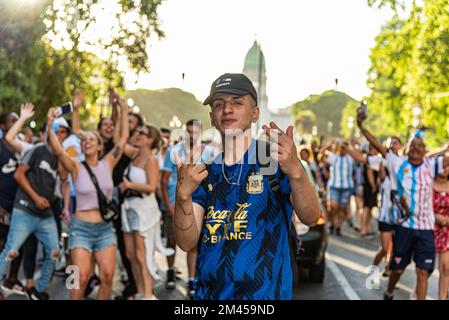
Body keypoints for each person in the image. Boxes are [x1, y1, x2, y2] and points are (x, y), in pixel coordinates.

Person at [173, 73, 320, 300]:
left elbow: (310, 217)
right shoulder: (203, 173)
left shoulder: (275, 163)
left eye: (237, 102)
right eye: (219, 104)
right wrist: (182, 197)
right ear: (212, 117)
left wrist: (296, 171)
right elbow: (186, 242)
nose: (227, 109)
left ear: (255, 113)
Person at [49, 89, 129, 300]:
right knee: (79, 279)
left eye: (92, 139)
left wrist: (123, 108)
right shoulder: (76, 166)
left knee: (107, 276)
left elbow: (122, 139)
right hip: (81, 229)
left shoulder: (108, 163)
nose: (87, 142)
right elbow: (58, 150)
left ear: (100, 145)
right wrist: (50, 125)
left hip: (105, 229)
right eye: (85, 141)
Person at [0, 104, 66, 300]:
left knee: (54, 252)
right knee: (11, 251)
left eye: (63, 133)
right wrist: (23, 118)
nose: (59, 136)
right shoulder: (34, 149)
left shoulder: (63, 157)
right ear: (47, 134)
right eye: (56, 131)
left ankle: (39, 290)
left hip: (46, 214)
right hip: (25, 209)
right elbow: (9, 140)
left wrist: (66, 208)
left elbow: (65, 181)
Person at [161, 119, 215, 297]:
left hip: (198, 203)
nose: (192, 134)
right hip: (174, 200)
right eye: (189, 131)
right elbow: (164, 180)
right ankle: (170, 270)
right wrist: (169, 204)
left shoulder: (207, 152)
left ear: (200, 133)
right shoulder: (173, 150)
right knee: (171, 240)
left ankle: (191, 279)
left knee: (193, 243)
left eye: (195, 131)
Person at [120, 124, 174, 300]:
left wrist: (129, 185)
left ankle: (148, 295)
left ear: (150, 140)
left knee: (142, 254)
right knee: (130, 254)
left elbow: (151, 186)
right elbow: (118, 141)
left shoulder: (151, 159)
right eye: (137, 132)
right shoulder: (135, 154)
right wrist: (122, 109)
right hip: (128, 208)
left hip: (144, 209)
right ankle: (141, 291)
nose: (138, 134)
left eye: (142, 133)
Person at [0, 107, 35, 299]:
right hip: (2, 203)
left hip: (20, 203)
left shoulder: (22, 147)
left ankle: (12, 278)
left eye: (17, 120)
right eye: (12, 121)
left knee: (19, 244)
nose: (15, 123)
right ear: (3, 126)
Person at [323, 139, 365, 236]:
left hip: (346, 187)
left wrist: (350, 147)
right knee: (333, 206)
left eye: (344, 148)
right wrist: (330, 143)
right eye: (341, 147)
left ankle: (338, 227)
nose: (342, 149)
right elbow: (322, 154)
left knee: (342, 208)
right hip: (334, 186)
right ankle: (332, 223)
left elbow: (359, 155)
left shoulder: (350, 158)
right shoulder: (334, 157)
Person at [433, 166, 449, 300]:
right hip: (429, 228)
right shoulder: (427, 184)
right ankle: (418, 290)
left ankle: (442, 298)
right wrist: (434, 216)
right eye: (442, 164)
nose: (445, 168)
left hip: (447, 231)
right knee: (426, 269)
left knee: (446, 268)